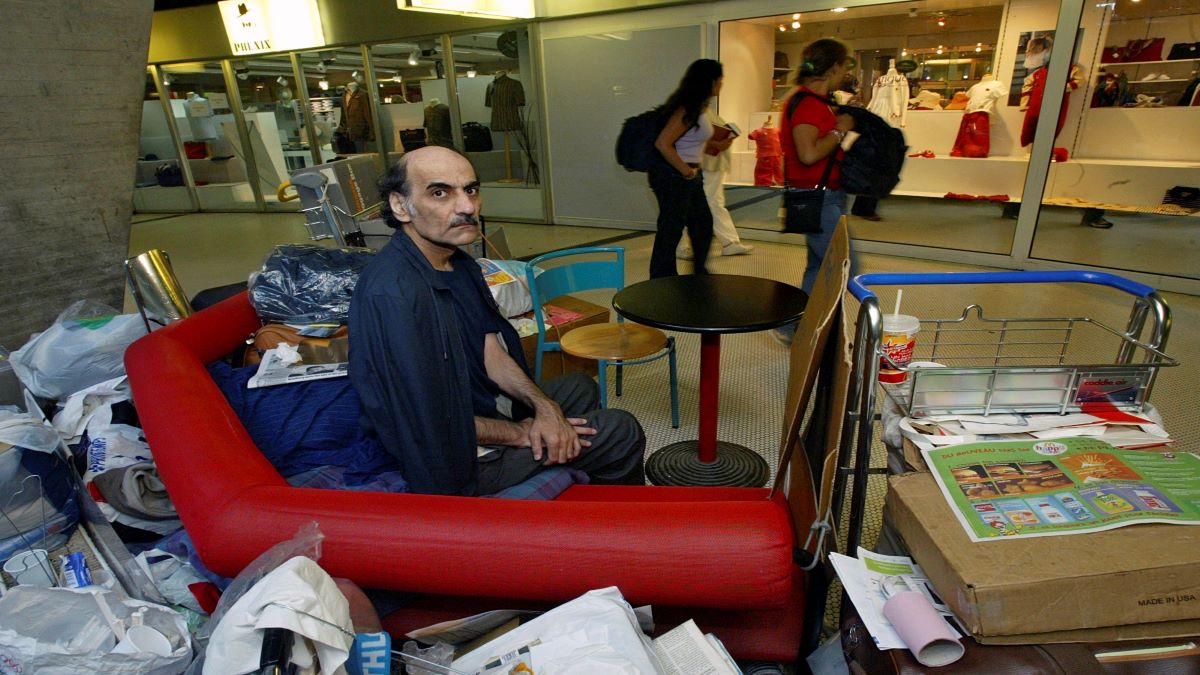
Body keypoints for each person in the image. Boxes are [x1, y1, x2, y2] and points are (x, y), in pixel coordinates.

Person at [349, 146, 646, 496]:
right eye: (440, 193)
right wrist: (521, 433)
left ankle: (574, 489)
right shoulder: (394, 295)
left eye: (471, 190)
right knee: (620, 429)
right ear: (401, 206)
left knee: (580, 387)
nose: (466, 206)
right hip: (455, 457)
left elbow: (490, 351)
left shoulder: (459, 264)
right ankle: (613, 520)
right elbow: (431, 420)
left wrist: (545, 409)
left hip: (478, 407)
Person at [773, 39, 857, 346]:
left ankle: (796, 329)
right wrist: (840, 129)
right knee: (847, 267)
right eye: (845, 66)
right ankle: (825, 334)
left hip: (822, 195)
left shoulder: (814, 102)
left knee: (818, 266)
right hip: (818, 197)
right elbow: (808, 154)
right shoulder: (808, 103)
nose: (845, 73)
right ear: (833, 67)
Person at [648, 59, 733, 278]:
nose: (722, 84)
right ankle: (662, 279)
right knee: (672, 229)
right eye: (720, 80)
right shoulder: (687, 108)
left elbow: (689, 139)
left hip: (689, 175)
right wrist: (686, 171)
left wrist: (715, 145)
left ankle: (698, 272)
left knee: (701, 225)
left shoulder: (699, 107)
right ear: (710, 81)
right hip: (675, 176)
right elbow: (663, 143)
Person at [677, 108, 754, 260]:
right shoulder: (691, 110)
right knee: (700, 204)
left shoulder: (704, 110)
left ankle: (729, 242)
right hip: (703, 164)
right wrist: (716, 144)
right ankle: (682, 245)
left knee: (714, 203)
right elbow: (689, 139)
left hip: (713, 164)